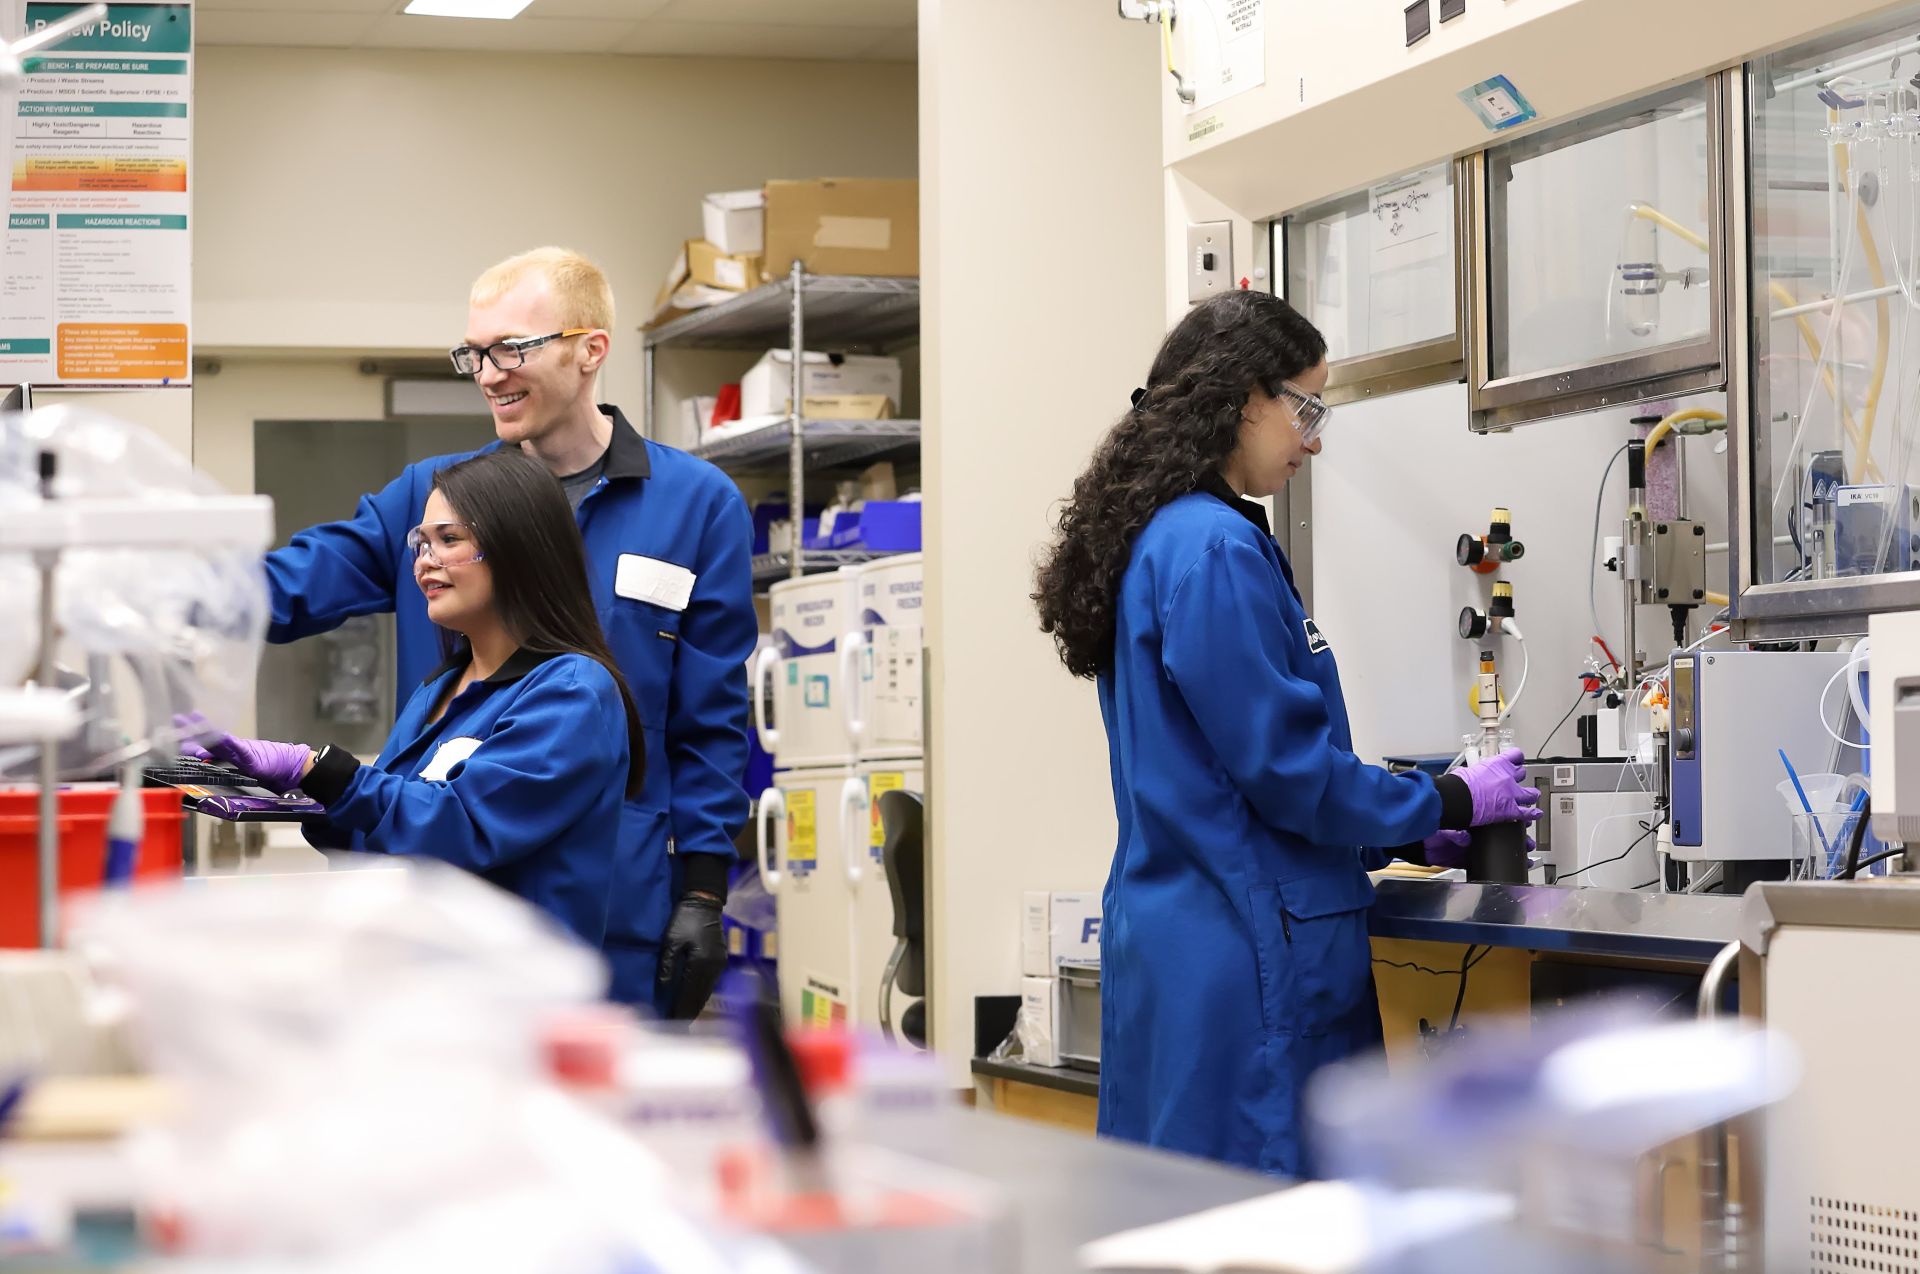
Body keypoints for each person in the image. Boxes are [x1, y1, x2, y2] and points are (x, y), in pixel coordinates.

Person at [1031, 290, 1540, 1177]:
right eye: (1305, 408)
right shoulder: (1214, 550)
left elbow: (1224, 767)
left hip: (1184, 940)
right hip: (1247, 954)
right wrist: (1455, 793)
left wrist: (1412, 824)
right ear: (1241, 397)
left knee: (1178, 1214)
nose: (1314, 437)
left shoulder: (1165, 540)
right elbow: (1291, 774)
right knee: (1265, 1222)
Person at [262, 247, 756, 1016]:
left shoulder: (696, 505)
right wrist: (160, 599)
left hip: (608, 904)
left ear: (591, 349)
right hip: (434, 911)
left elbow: (710, 724)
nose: (489, 373)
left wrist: (702, 891)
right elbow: (288, 586)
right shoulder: (432, 501)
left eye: (512, 348)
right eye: (476, 353)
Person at [184, 449, 641, 958]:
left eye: (449, 539)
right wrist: (303, 796)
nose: (426, 561)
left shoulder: (572, 692)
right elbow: (388, 840)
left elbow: (459, 829)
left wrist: (320, 770)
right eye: (421, 543)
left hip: (513, 1001)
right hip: (422, 991)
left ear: (519, 547)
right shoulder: (440, 689)